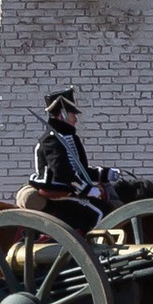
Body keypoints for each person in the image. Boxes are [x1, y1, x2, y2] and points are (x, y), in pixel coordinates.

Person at [32, 88, 102, 229]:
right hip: (56, 191)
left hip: (69, 188)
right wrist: (85, 189)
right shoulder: (51, 139)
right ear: (62, 114)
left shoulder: (70, 138)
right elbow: (62, 171)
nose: (75, 119)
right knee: (98, 214)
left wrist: (106, 173)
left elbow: (80, 170)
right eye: (72, 115)